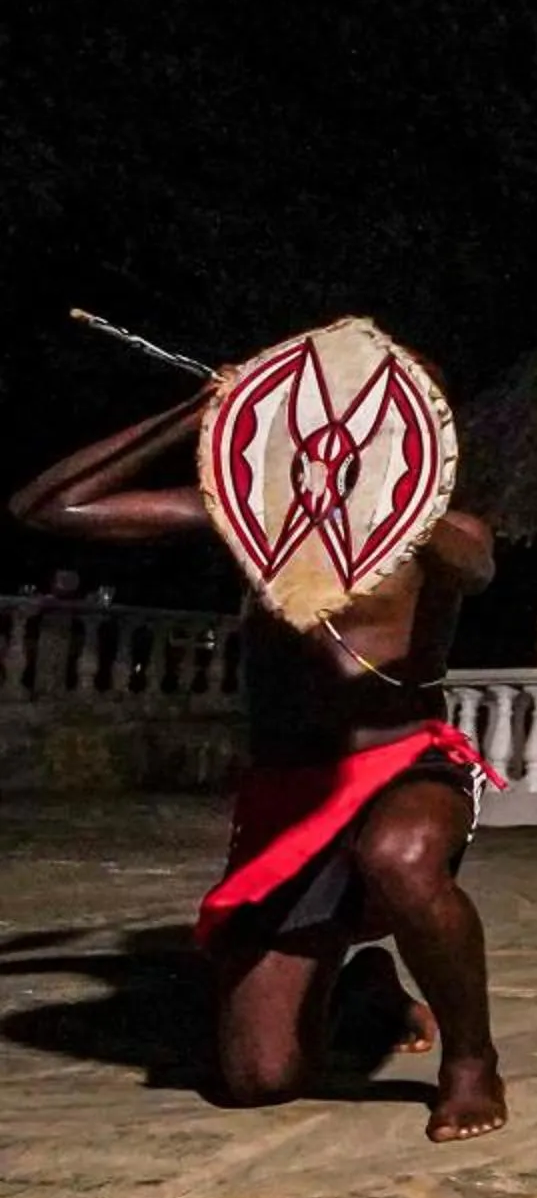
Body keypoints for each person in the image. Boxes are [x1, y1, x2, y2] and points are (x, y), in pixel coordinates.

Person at [10, 373, 509, 1141]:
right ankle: (366, 984)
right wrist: (197, 411)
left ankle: (472, 1062)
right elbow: (48, 507)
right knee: (259, 1080)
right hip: (289, 795)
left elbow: (475, 565)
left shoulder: (446, 532)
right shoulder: (251, 521)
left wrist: (400, 500)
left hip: (404, 764)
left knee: (400, 855)